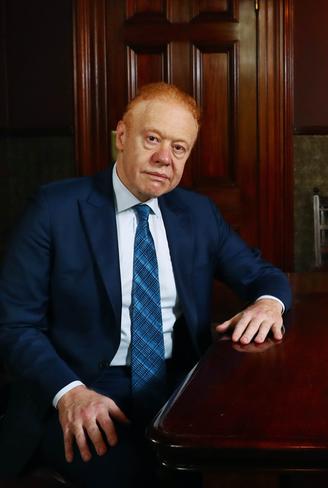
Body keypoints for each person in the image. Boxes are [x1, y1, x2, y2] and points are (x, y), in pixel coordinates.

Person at [0, 82, 292, 487]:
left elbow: (263, 275)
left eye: (179, 148)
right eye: (152, 139)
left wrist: (268, 303)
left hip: (180, 386)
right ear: (122, 136)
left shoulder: (198, 213)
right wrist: (69, 392)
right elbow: (16, 326)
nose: (163, 159)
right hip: (85, 386)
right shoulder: (54, 210)